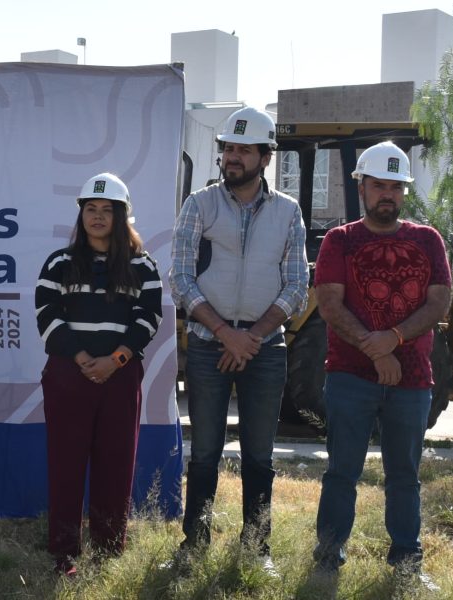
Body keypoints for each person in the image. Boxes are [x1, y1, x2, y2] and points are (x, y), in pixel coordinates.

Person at [165, 107, 307, 577]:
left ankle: (257, 549)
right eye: (228, 148)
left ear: (266, 158)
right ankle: (195, 542)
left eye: (245, 150)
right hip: (209, 344)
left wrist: (253, 337)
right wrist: (227, 333)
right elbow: (180, 278)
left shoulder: (288, 212)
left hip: (265, 350)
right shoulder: (199, 206)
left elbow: (296, 287)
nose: (233, 157)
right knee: (204, 450)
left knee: (259, 455)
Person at [308, 141, 450, 591]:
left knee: (405, 476)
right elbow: (329, 305)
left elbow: (440, 302)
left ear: (403, 192)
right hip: (350, 378)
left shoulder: (428, 240)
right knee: (341, 472)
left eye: (395, 186)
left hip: (412, 381)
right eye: (378, 185)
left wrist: (393, 338)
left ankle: (407, 562)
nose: (386, 193)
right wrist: (377, 351)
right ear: (362, 187)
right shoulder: (340, 240)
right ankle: (328, 559)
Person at [33, 173, 163, 577]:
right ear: (81, 214)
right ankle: (64, 553)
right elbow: (47, 316)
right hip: (69, 375)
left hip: (120, 378)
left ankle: (109, 549)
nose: (98, 217)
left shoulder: (143, 266)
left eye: (108, 210)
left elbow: (149, 319)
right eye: (91, 209)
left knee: (115, 462)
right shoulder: (59, 263)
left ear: (122, 217)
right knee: (66, 464)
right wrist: (84, 357)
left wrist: (115, 360)